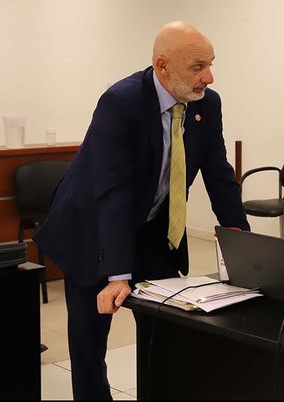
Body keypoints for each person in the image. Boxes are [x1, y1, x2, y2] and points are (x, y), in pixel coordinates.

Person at [34, 21, 249, 400]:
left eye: (210, 64)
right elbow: (113, 191)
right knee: (89, 341)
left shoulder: (206, 104)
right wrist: (118, 274)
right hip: (93, 229)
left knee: (165, 329)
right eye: (197, 67)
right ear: (163, 66)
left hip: (153, 229)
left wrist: (242, 246)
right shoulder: (121, 102)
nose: (209, 77)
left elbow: (219, 173)